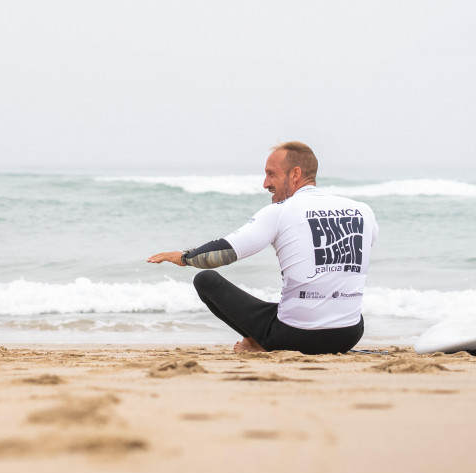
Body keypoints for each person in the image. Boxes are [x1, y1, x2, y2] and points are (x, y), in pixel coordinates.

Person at [147, 141, 378, 354]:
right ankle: (267, 337)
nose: (265, 183)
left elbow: (224, 252)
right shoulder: (362, 211)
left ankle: (259, 342)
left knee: (206, 281)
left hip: (294, 336)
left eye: (271, 174)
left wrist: (184, 257)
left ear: (295, 174)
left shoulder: (281, 211)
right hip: (349, 334)